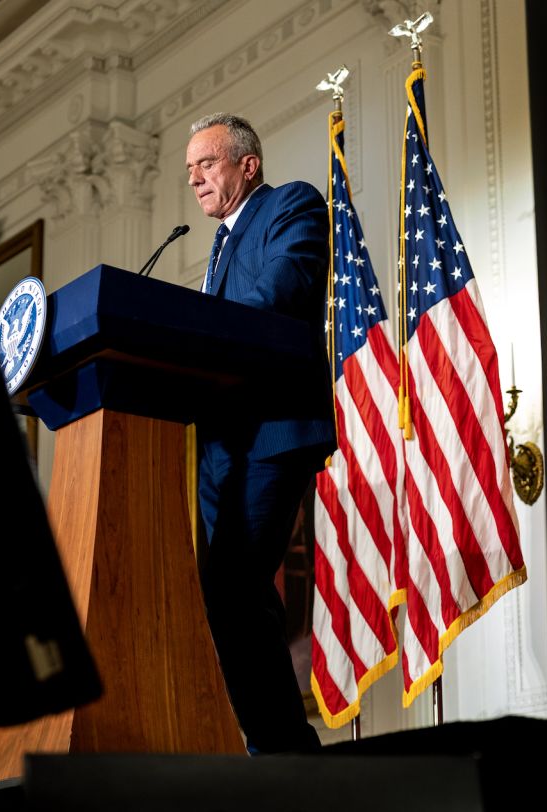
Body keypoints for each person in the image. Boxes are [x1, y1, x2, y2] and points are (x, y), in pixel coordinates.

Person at [186, 112, 335, 754]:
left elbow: (282, 290)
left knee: (236, 589)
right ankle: (272, 745)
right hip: (221, 442)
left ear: (248, 164)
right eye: (188, 170)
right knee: (230, 598)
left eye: (207, 164)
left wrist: (188, 326)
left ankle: (281, 753)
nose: (194, 180)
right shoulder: (217, 244)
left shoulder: (291, 205)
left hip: (272, 431)